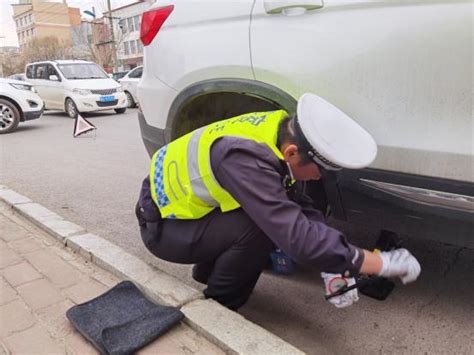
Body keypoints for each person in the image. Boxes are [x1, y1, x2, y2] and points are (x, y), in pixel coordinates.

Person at [136, 93, 421, 310]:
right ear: (294, 153)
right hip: (162, 227)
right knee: (259, 227)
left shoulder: (279, 131)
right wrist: (377, 262)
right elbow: (295, 236)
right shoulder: (243, 158)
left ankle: (208, 270)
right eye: (319, 171)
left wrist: (336, 262)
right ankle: (218, 307)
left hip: (188, 216)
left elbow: (299, 205)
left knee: (266, 216)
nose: (318, 177)